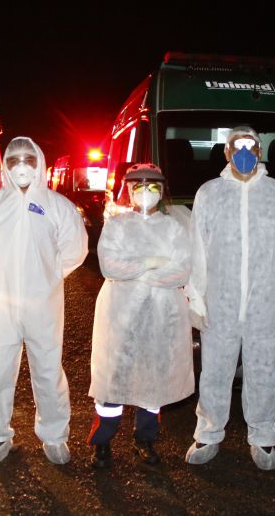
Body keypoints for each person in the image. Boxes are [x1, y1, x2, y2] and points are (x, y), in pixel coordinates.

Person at [184, 126, 275, 470]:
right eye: (236, 146)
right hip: (219, 304)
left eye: (250, 145)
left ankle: (263, 436)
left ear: (259, 151)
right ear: (226, 153)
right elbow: (196, 249)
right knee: (214, 372)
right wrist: (196, 298)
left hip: (264, 305)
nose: (243, 152)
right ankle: (208, 432)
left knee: (264, 373)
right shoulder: (209, 194)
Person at [0, 137, 88, 465]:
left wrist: (48, 276)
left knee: (48, 369)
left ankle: (54, 435)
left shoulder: (57, 205)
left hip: (43, 304)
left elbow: (75, 249)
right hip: (1, 303)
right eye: (14, 160)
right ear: (5, 165)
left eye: (28, 159)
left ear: (39, 162)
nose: (21, 166)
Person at [87, 163, 194, 468]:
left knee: (153, 379)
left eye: (153, 186)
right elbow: (109, 266)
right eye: (139, 187)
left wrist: (136, 273)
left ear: (162, 191)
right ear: (130, 191)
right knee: (113, 379)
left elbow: (181, 270)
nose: (146, 192)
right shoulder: (117, 226)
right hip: (120, 315)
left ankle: (145, 439)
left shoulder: (173, 228)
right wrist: (149, 264)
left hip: (161, 315)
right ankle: (102, 441)